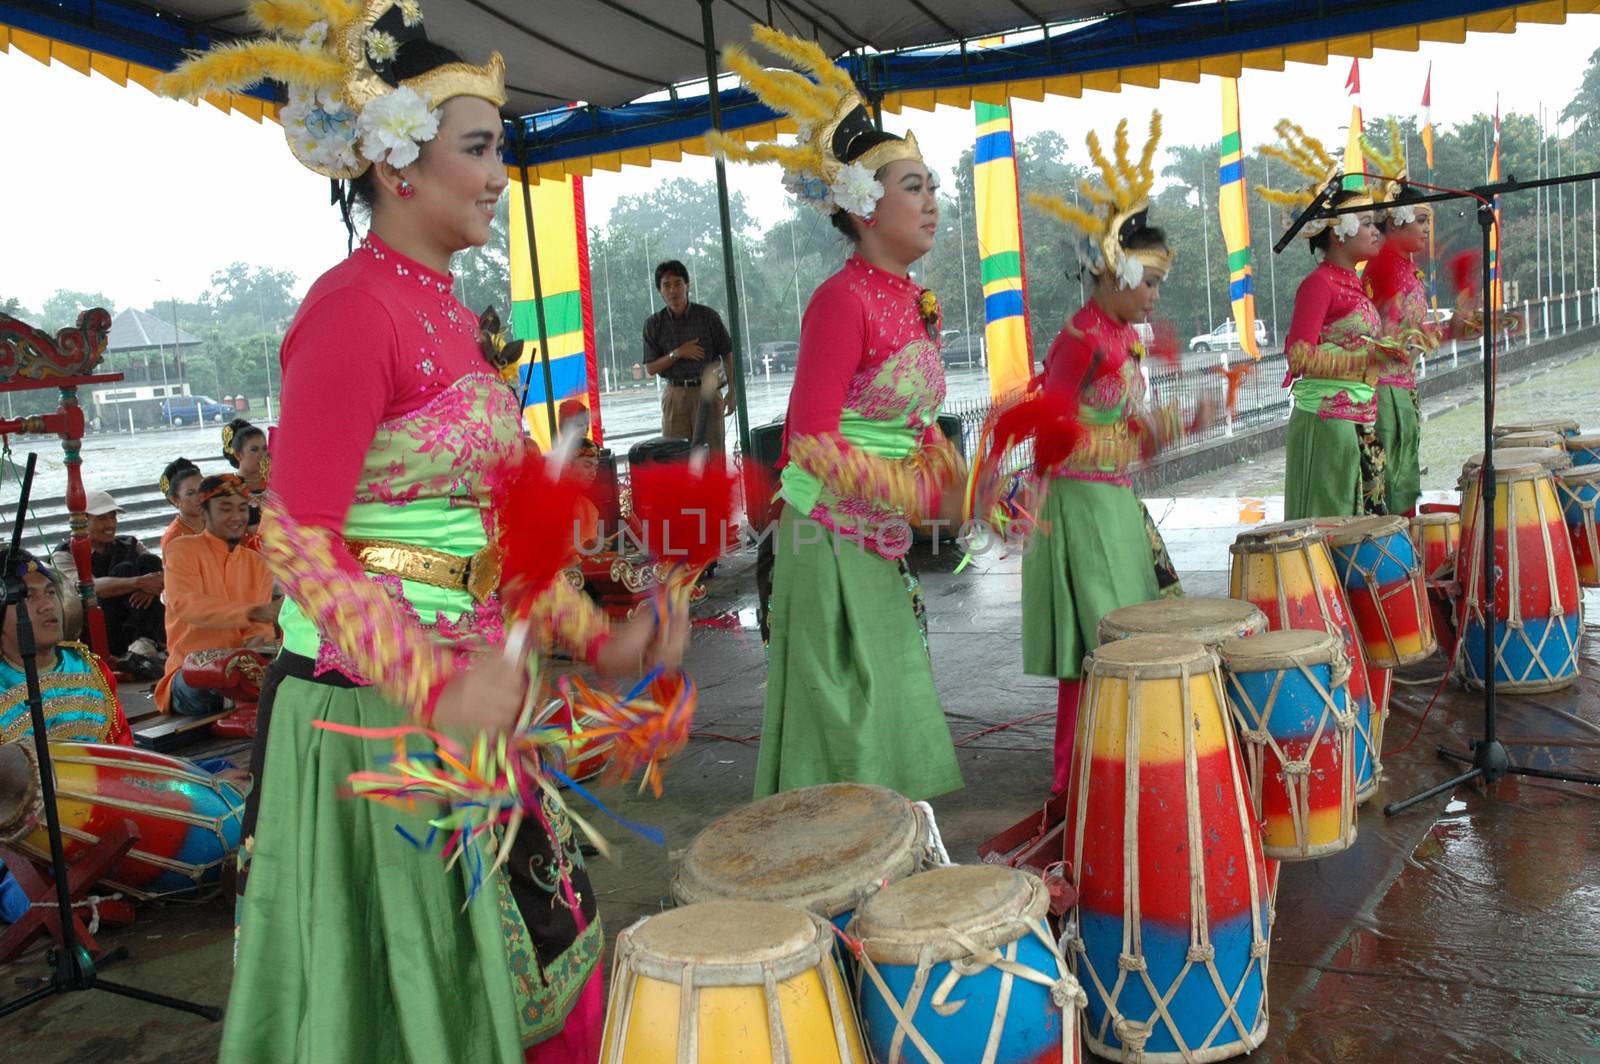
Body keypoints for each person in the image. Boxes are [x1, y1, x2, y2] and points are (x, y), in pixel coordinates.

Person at [160, 7, 685, 1061]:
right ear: (398, 165)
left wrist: (600, 632)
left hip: (467, 714)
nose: (500, 173)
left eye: (501, 148)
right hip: (377, 724)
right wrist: (431, 678)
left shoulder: (449, 310)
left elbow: (496, 537)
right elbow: (299, 540)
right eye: (478, 147)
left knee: (538, 974)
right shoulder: (352, 310)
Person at [714, 26, 965, 802]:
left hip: (878, 535)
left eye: (930, 184)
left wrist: (957, 474)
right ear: (864, 206)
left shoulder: (911, 302)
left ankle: (888, 871)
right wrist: (917, 494)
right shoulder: (841, 299)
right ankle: (842, 890)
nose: (931, 200)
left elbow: (917, 422)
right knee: (847, 728)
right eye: (913, 186)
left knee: (887, 714)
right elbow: (808, 445)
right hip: (826, 536)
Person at [1021, 113, 1206, 794]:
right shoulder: (1079, 339)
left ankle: (1122, 762)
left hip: (1115, 502)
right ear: (1111, 270)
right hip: (1081, 508)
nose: (1156, 294)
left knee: (1130, 637)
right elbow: (1052, 430)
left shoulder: (1119, 336)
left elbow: (1126, 430)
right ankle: (1076, 782)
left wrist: (1177, 424)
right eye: (1150, 281)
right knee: (1097, 647)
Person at [1259, 123, 1397, 520]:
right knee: (1335, 525)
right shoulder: (1318, 285)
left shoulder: (1353, 285)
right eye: (1368, 222)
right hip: (1328, 425)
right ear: (1339, 232)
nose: (1376, 231)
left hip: (1361, 422)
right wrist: (1360, 362)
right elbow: (1298, 358)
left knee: (1368, 528)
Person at [155, 475, 280, 716]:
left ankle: (244, 698)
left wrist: (255, 643)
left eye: (242, 508)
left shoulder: (256, 563)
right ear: (203, 513)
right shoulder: (181, 549)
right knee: (204, 687)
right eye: (225, 509)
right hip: (190, 671)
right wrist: (251, 612)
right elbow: (186, 604)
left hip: (239, 673)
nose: (236, 517)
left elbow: (259, 630)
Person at [1361, 122, 1438, 518]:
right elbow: (1387, 333)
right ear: (1396, 221)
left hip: (1403, 385)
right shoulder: (1385, 266)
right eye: (1420, 220)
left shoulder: (1403, 267)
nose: (1427, 229)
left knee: (1403, 476)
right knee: (1390, 482)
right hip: (1385, 389)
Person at [1, 549, 132, 746]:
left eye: (50, 592)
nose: (47, 605)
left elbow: (123, 751)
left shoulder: (90, 668)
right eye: (28, 596)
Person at [56, 489, 165, 663]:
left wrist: (149, 589)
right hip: (103, 626)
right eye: (102, 518)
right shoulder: (65, 554)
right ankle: (157, 638)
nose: (110, 524)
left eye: (112, 517)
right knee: (125, 570)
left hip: (136, 617)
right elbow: (90, 587)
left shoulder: (130, 543)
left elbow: (164, 575)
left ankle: (148, 639)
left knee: (149, 561)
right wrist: (139, 583)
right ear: (83, 521)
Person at [641, 260, 736, 454]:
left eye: (677, 283)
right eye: (666, 285)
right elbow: (651, 368)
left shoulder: (708, 317)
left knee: (713, 457)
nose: (673, 290)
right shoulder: (653, 324)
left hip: (708, 392)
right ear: (660, 291)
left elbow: (728, 353)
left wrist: (733, 391)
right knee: (676, 458)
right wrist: (678, 353)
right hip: (674, 396)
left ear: (687, 285)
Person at [222, 418, 269, 548]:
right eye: (254, 450)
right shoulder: (227, 490)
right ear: (238, 455)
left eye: (264, 449)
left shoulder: (275, 483)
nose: (262, 455)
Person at [159, 457, 206, 550]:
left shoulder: (218, 523)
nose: (200, 497)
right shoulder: (174, 538)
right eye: (191, 493)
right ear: (175, 500)